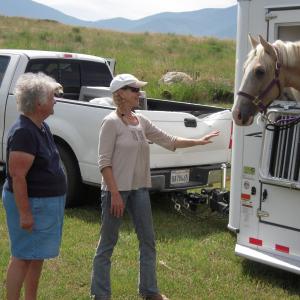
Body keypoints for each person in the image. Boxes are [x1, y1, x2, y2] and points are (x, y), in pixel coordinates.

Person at [91, 74, 220, 300]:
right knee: (108, 243)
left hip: (140, 188)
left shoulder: (140, 120)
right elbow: (104, 163)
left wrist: (199, 140)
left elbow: (169, 141)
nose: (139, 93)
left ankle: (149, 291)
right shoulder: (110, 123)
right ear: (121, 94)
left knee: (148, 240)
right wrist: (115, 195)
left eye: (138, 89)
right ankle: (100, 295)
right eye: (134, 89)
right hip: (116, 191)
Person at [2, 72, 67, 300]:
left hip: (44, 204)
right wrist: (25, 213)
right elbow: (17, 176)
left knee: (36, 255)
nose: (55, 101)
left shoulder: (40, 126)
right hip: (32, 205)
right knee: (22, 256)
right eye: (51, 97)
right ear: (39, 103)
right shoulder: (23, 132)